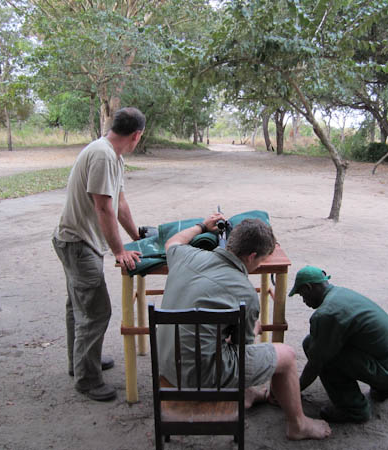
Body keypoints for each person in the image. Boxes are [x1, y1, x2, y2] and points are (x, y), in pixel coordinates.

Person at [158, 215, 331, 440]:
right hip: (198, 378)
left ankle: (248, 394)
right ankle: (298, 425)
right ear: (251, 256)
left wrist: (202, 226)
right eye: (261, 261)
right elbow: (243, 348)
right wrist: (253, 328)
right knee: (286, 356)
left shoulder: (186, 255)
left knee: (221, 340)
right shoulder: (245, 293)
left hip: (168, 365)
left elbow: (172, 241)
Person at [52, 107, 145, 401]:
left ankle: (80, 363)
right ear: (136, 135)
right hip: (78, 244)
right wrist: (119, 251)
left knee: (78, 307)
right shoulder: (103, 156)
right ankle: (87, 380)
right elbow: (103, 207)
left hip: (75, 241)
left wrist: (137, 238)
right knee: (96, 311)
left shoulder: (113, 156)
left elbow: (120, 204)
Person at [289, 266, 388, 423]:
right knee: (318, 343)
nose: (304, 300)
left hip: (387, 371)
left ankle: (353, 409)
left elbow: (316, 362)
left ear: (308, 287)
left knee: (320, 352)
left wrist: (294, 390)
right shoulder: (342, 294)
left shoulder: (327, 313)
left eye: (302, 295)